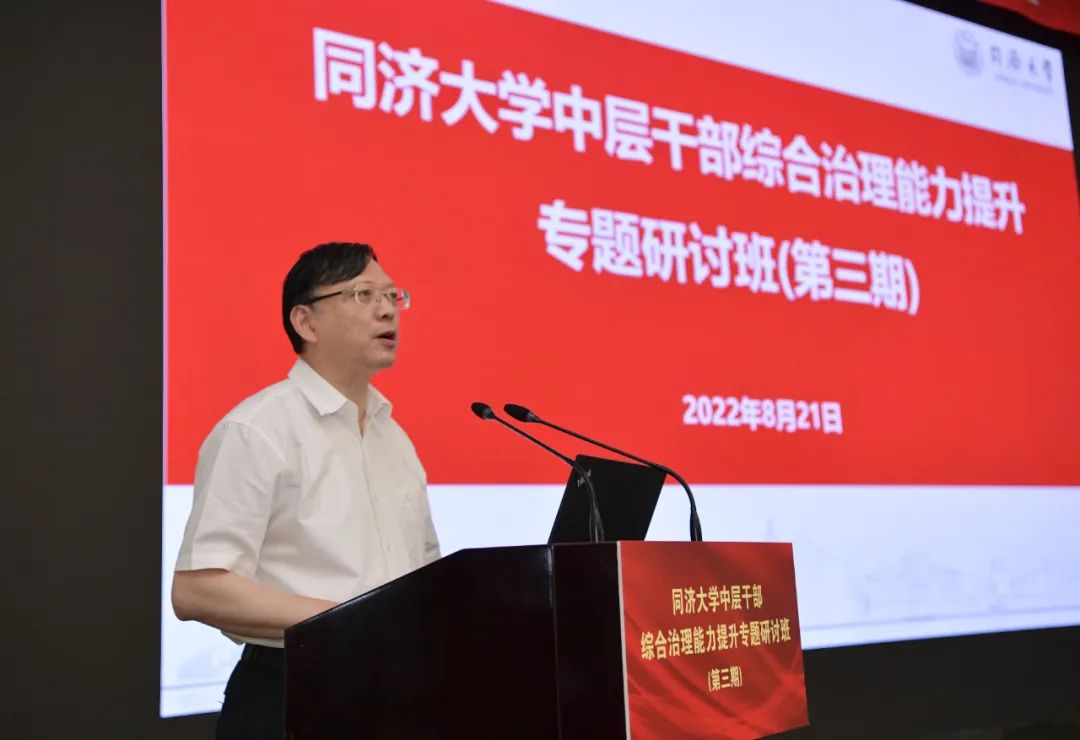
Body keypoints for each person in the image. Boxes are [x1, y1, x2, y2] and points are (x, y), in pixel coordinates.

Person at [172, 242, 441, 739]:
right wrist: (351, 621)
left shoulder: (394, 437)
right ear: (306, 322)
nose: (387, 309)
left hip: (395, 694)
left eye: (392, 296)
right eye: (363, 294)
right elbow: (197, 590)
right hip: (293, 691)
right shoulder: (257, 429)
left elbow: (424, 574)